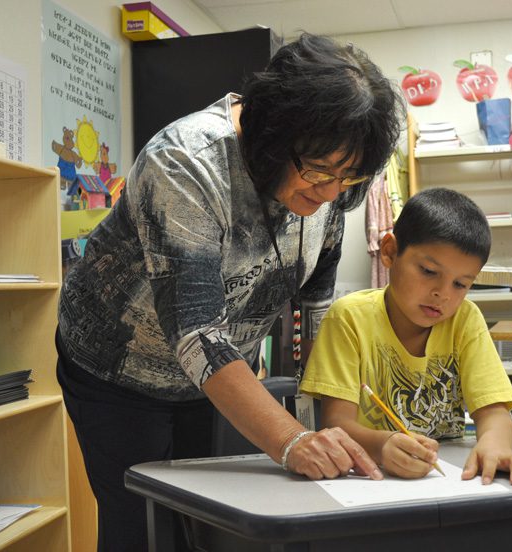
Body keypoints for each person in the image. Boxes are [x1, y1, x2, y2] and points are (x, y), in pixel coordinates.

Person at [56, 33, 404, 551]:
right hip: (119, 369)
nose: (332, 193)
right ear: (270, 135)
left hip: (216, 375)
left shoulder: (333, 182)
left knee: (214, 526)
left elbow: (317, 310)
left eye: (349, 178)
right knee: (146, 530)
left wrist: (333, 421)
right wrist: (292, 440)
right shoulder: (186, 161)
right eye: (320, 172)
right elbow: (197, 332)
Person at [300, 188, 512, 482]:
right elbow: (335, 424)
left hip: (445, 480)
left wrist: (495, 445)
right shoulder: (349, 319)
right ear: (389, 252)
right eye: (429, 271)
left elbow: (494, 413)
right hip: (370, 482)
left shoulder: (464, 320)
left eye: (460, 284)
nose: (442, 293)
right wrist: (382, 446)